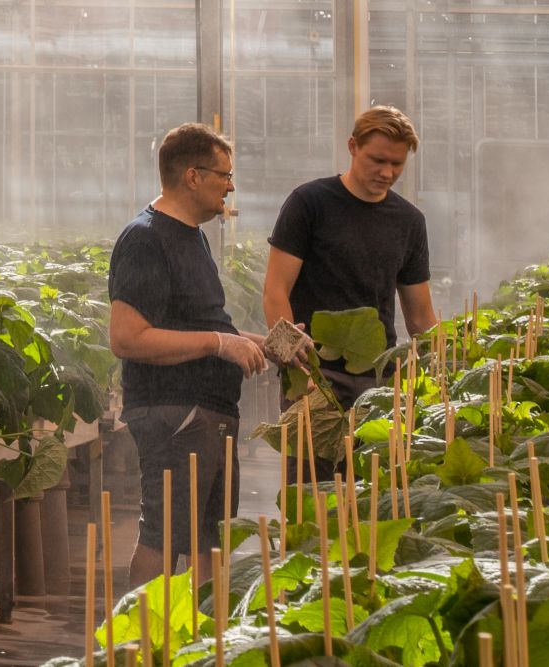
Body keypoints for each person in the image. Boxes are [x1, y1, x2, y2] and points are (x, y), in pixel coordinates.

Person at [108, 121, 268, 593]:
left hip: (209, 413)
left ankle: (197, 645)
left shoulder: (192, 236)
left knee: (207, 540)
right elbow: (128, 338)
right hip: (174, 412)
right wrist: (218, 345)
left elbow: (200, 324)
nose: (231, 185)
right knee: (166, 535)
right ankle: (139, 645)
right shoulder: (145, 238)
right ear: (193, 176)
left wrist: (264, 343)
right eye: (224, 174)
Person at [263, 105, 437, 416]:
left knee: (374, 465)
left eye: (397, 164)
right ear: (352, 146)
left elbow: (421, 318)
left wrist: (446, 364)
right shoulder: (309, 204)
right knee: (309, 466)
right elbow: (275, 292)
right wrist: (295, 367)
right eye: (378, 160)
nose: (387, 173)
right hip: (315, 375)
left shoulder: (410, 221)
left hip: (379, 382)